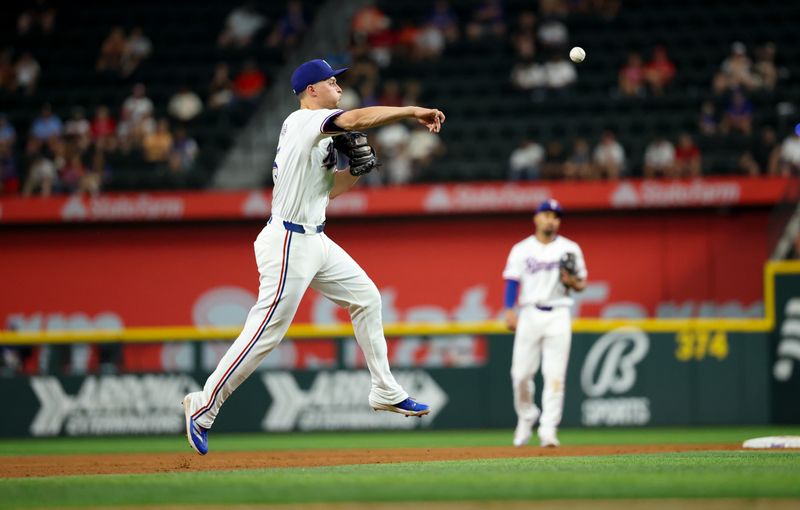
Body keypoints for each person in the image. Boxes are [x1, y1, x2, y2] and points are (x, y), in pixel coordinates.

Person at [182, 59, 446, 455]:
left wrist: (356, 170)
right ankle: (203, 405)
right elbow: (357, 118)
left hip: (315, 239)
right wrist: (410, 111)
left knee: (367, 298)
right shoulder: (304, 121)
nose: (338, 84)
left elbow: (329, 193)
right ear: (311, 91)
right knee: (266, 332)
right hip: (288, 240)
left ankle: (384, 389)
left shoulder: (318, 134)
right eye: (330, 80)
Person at [502, 199, 587, 448]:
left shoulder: (570, 248)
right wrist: (509, 309)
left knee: (555, 376)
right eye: (547, 214)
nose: (551, 219)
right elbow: (512, 281)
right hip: (529, 312)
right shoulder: (521, 249)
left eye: (556, 216)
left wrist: (571, 280)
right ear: (536, 218)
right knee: (520, 375)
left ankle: (549, 429)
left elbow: (581, 284)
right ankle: (527, 416)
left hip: (559, 313)